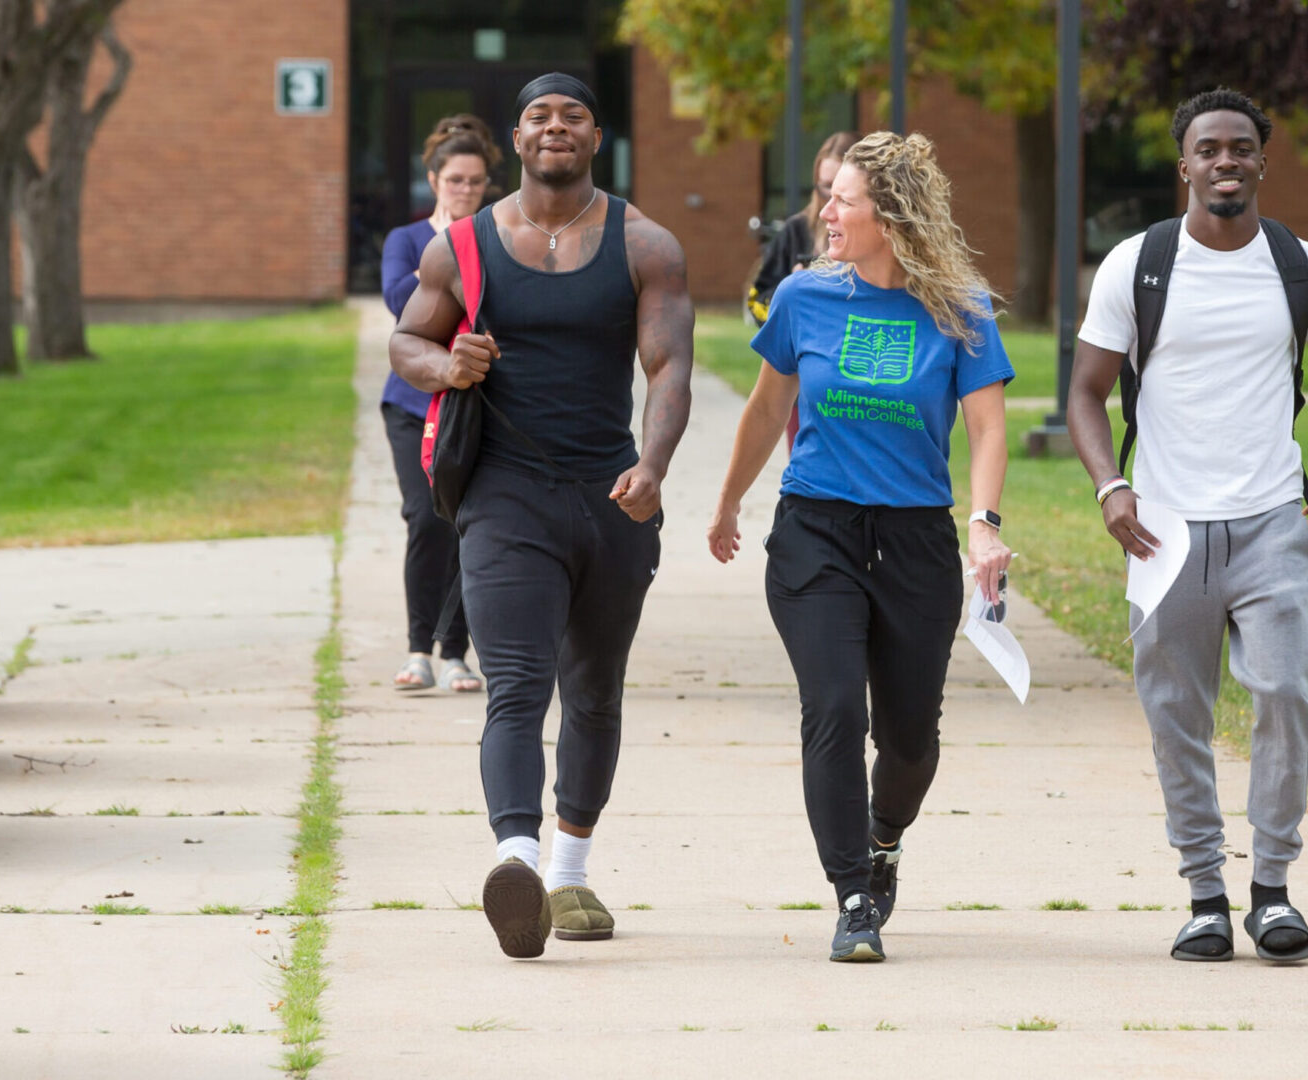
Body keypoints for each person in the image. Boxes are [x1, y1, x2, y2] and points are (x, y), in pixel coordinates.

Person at [1066, 89, 1308, 964]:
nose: (1226, 162)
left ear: (1260, 162)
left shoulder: (1303, 268)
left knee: (1284, 696)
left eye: (1241, 148)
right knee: (1177, 716)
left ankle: (1272, 891)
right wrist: (1110, 487)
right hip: (1163, 527)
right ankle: (1205, 894)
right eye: (1209, 149)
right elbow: (1085, 393)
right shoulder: (1138, 265)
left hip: (1274, 519)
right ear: (1186, 165)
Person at [389, 73, 694, 960]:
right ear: (513, 142)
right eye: (537, 117)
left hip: (610, 497)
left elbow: (669, 367)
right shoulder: (466, 248)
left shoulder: (646, 243)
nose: (553, 128)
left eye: (571, 117)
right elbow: (408, 340)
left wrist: (653, 465)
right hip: (504, 495)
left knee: (594, 691)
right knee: (518, 685)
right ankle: (516, 861)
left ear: (597, 136)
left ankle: (569, 872)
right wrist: (449, 367)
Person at [706, 131, 1014, 963]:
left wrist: (984, 523)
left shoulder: (959, 308)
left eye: (843, 199)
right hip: (816, 532)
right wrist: (730, 500)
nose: (825, 211)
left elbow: (987, 428)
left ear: (893, 214)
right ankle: (852, 894)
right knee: (834, 709)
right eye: (827, 196)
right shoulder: (805, 296)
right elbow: (768, 411)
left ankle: (884, 839)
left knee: (910, 739)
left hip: (915, 540)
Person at [380, 114, 503, 694]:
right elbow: (401, 299)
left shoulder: (494, 238)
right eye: (456, 180)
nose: (466, 191)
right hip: (411, 404)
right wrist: (449, 258)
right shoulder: (407, 241)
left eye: (476, 182)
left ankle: (455, 652)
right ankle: (416, 649)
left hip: (472, 405)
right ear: (433, 179)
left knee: (463, 523)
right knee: (424, 519)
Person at [749, 131, 859, 449]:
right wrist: (790, 295)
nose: (829, 198)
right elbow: (757, 297)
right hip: (802, 378)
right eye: (824, 186)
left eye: (840, 188)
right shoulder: (797, 230)